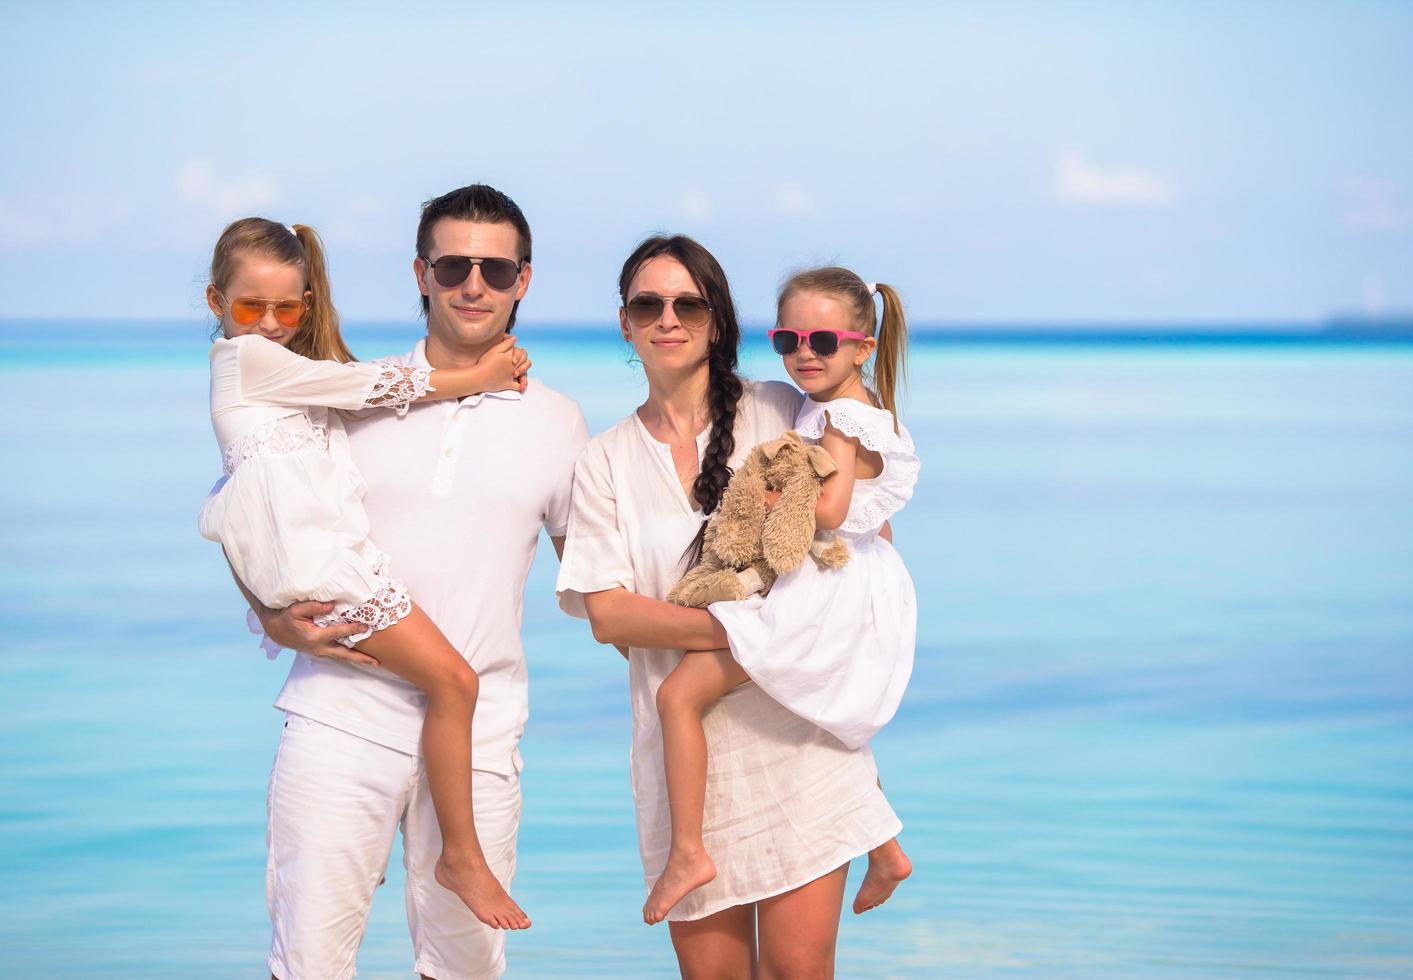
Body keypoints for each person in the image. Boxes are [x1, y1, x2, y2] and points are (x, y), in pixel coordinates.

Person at [215, 187, 588, 980]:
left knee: (466, 972)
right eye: (454, 264)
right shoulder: (347, 393)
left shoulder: (559, 421)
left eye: (495, 267)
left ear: (525, 279)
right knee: (308, 965)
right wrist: (270, 615)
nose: (473, 283)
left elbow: (596, 578)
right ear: (422, 272)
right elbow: (255, 503)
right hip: (338, 720)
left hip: (483, 736)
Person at [556, 235, 902, 976]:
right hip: (690, 774)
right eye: (649, 304)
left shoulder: (783, 409)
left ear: (718, 320)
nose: (668, 318)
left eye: (689, 303)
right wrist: (751, 631)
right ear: (625, 321)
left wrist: (775, 633)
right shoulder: (603, 459)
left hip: (800, 755)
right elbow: (609, 616)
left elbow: (865, 529)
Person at [643, 266, 919, 924]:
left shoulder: (843, 419)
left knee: (679, 694)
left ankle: (687, 851)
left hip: (826, 583)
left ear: (862, 347)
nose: (804, 353)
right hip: (849, 576)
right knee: (825, 710)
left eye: (823, 340)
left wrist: (764, 500)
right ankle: (885, 848)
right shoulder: (837, 406)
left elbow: (829, 507)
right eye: (788, 338)